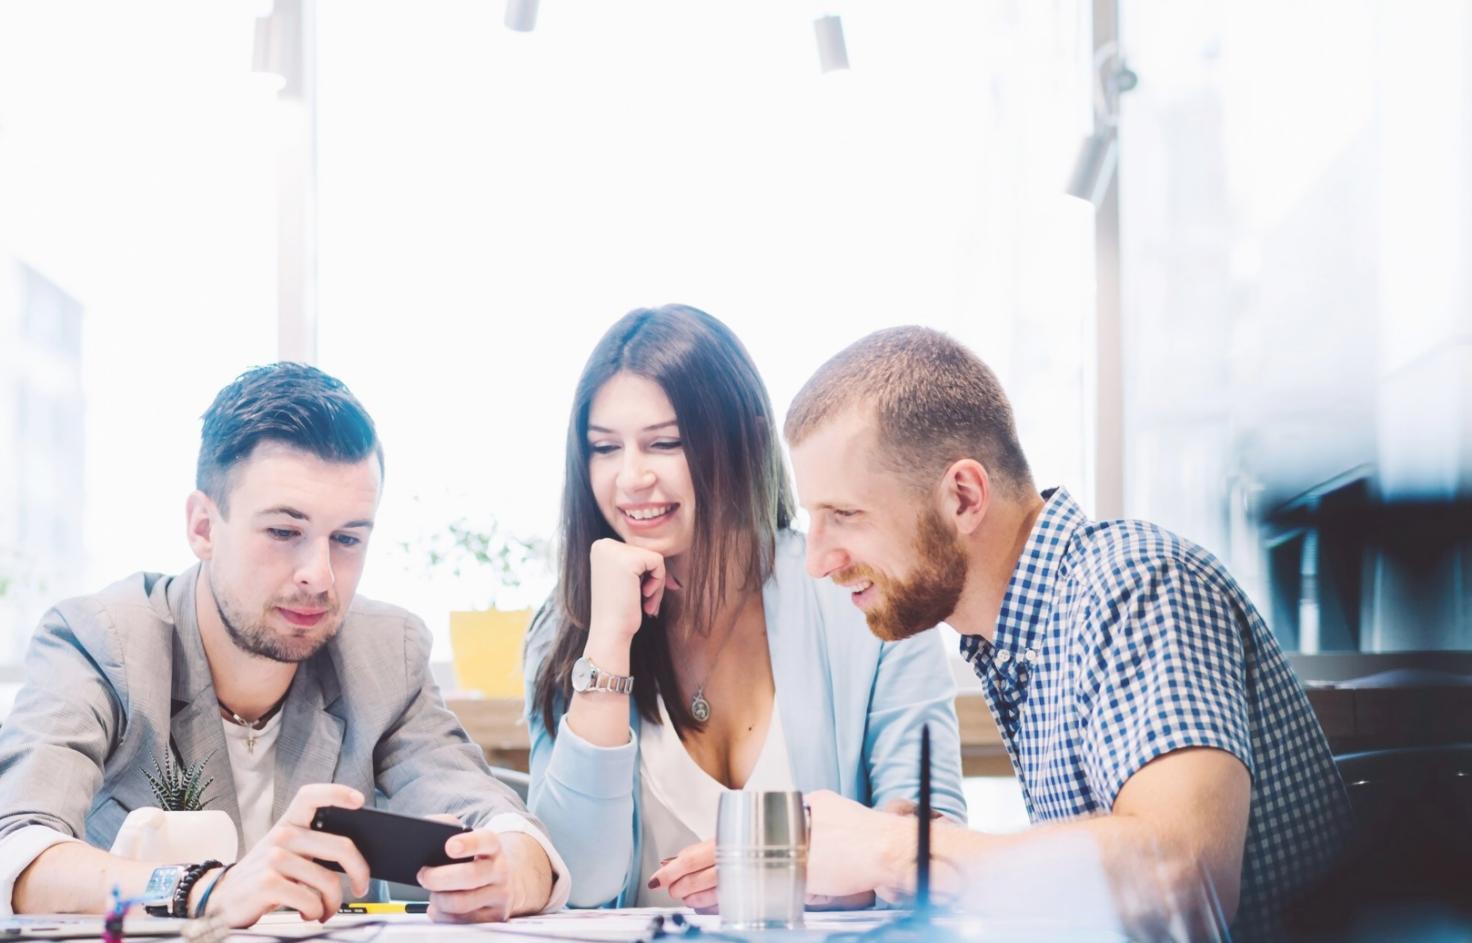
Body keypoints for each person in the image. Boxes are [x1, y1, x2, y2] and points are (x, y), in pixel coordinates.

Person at [784, 327, 1350, 940]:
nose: (818, 560)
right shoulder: (1021, 635)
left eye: (845, 515)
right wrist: (934, 854)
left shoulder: (1135, 584)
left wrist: (895, 850)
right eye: (815, 520)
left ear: (964, 497)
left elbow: (1183, 879)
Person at [0, 363, 569, 926]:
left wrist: (511, 868)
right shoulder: (99, 641)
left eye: (347, 538)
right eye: (283, 532)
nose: (319, 576)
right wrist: (203, 888)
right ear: (203, 527)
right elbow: (16, 848)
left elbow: (504, 826)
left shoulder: (384, 652)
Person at [523, 305, 966, 909]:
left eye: (666, 443)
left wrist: (777, 868)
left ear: (749, 439)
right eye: (604, 448)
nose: (630, 478)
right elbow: (577, 885)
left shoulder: (862, 596)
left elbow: (933, 849)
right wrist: (607, 643)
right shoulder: (570, 625)